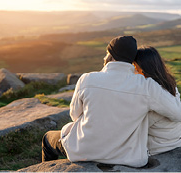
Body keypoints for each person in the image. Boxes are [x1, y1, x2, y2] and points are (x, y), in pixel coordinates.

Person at [42, 36, 181, 167]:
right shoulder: (147, 86)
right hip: (127, 157)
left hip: (84, 151)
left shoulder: (87, 79)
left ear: (110, 55)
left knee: (47, 139)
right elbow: (177, 114)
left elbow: (75, 115)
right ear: (132, 61)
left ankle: (45, 168)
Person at [134, 46, 181, 156]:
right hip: (172, 140)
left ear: (144, 67)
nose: (133, 71)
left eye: (135, 66)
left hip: (159, 147)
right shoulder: (168, 82)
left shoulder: (152, 89)